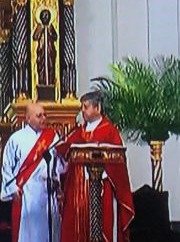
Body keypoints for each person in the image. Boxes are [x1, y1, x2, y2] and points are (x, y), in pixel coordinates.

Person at [56, 91, 134, 242]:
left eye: (86, 107)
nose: (82, 111)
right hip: (78, 190)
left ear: (97, 108)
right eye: (82, 107)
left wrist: (103, 171)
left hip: (100, 187)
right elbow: (66, 151)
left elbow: (119, 162)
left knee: (100, 227)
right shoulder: (78, 131)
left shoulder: (110, 131)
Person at [0, 103, 63, 242]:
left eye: (44, 115)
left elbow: (59, 163)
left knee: (49, 233)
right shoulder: (16, 139)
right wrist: (13, 189)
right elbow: (7, 166)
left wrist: (56, 181)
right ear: (28, 118)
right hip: (27, 194)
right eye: (39, 115)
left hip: (47, 193)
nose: (43, 118)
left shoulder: (53, 137)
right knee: (29, 235)